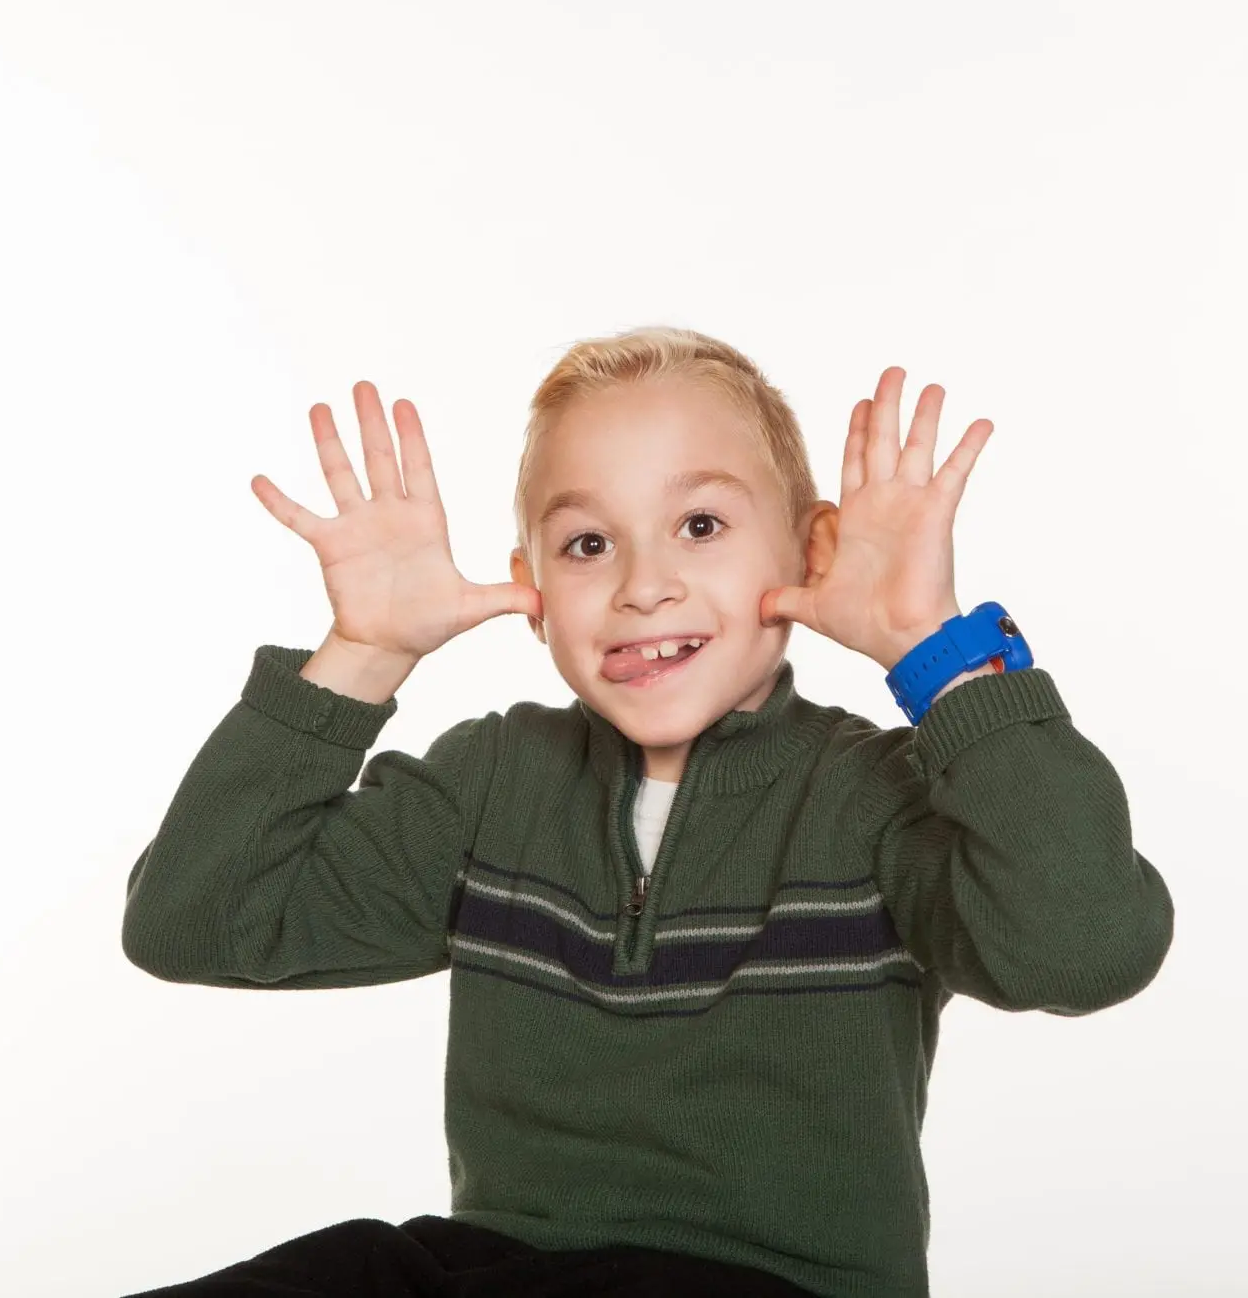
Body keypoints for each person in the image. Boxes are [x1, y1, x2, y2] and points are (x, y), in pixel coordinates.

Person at [118, 326, 1175, 1297]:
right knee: (346, 1268)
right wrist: (363, 655)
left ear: (812, 553)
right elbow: (195, 919)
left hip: (772, 1285)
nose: (641, 586)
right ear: (530, 590)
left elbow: (1081, 950)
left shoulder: (878, 797)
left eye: (699, 525)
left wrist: (934, 655)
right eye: (588, 546)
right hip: (501, 1264)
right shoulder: (492, 778)